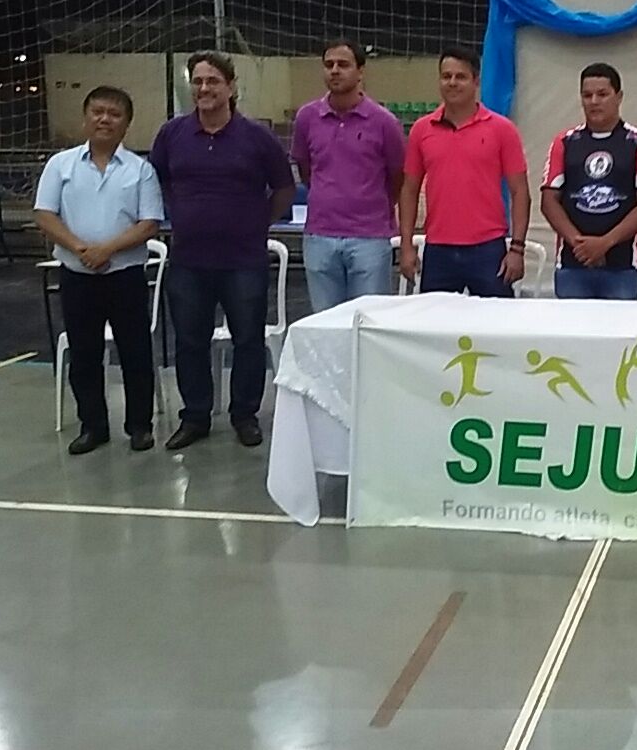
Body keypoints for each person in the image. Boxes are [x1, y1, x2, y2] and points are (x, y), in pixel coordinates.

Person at [149, 51, 295, 451]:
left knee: (247, 340)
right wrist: (183, 212)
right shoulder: (172, 135)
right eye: (197, 81)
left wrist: (258, 222)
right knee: (189, 341)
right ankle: (195, 416)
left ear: (231, 87)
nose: (204, 88)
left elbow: (284, 187)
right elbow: (158, 180)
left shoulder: (258, 138)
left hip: (243, 261)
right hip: (189, 261)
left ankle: (244, 414)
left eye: (213, 81)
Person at [34, 86, 163, 455]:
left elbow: (149, 223)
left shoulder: (141, 170)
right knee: (84, 354)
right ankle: (93, 427)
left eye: (114, 114)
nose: (105, 119)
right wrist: (81, 249)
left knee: (135, 352)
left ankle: (139, 427)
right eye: (98, 112)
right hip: (77, 276)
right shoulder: (60, 165)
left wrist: (108, 249)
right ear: (86, 118)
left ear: (126, 124)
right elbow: (44, 214)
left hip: (125, 276)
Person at [398, 46, 530, 296]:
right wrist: (406, 245)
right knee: (436, 320)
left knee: (497, 319)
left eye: (460, 77)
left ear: (476, 81)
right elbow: (409, 190)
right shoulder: (421, 130)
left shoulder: (502, 130)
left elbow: (520, 191)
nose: (452, 83)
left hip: (488, 249)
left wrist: (517, 249)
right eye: (446, 76)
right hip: (438, 250)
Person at [291, 39, 406, 311]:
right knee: (325, 322)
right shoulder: (307, 118)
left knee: (368, 321)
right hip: (319, 236)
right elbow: (306, 168)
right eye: (329, 64)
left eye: (343, 64)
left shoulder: (384, 122)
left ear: (360, 71)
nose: (334, 70)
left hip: (369, 239)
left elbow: (397, 176)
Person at [540, 63, 637, 300]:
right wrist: (580, 245)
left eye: (602, 94)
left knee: (619, 326)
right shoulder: (564, 142)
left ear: (619, 97)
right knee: (572, 325)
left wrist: (605, 243)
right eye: (587, 95)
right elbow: (548, 201)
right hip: (572, 265)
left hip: (622, 267)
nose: (594, 101)